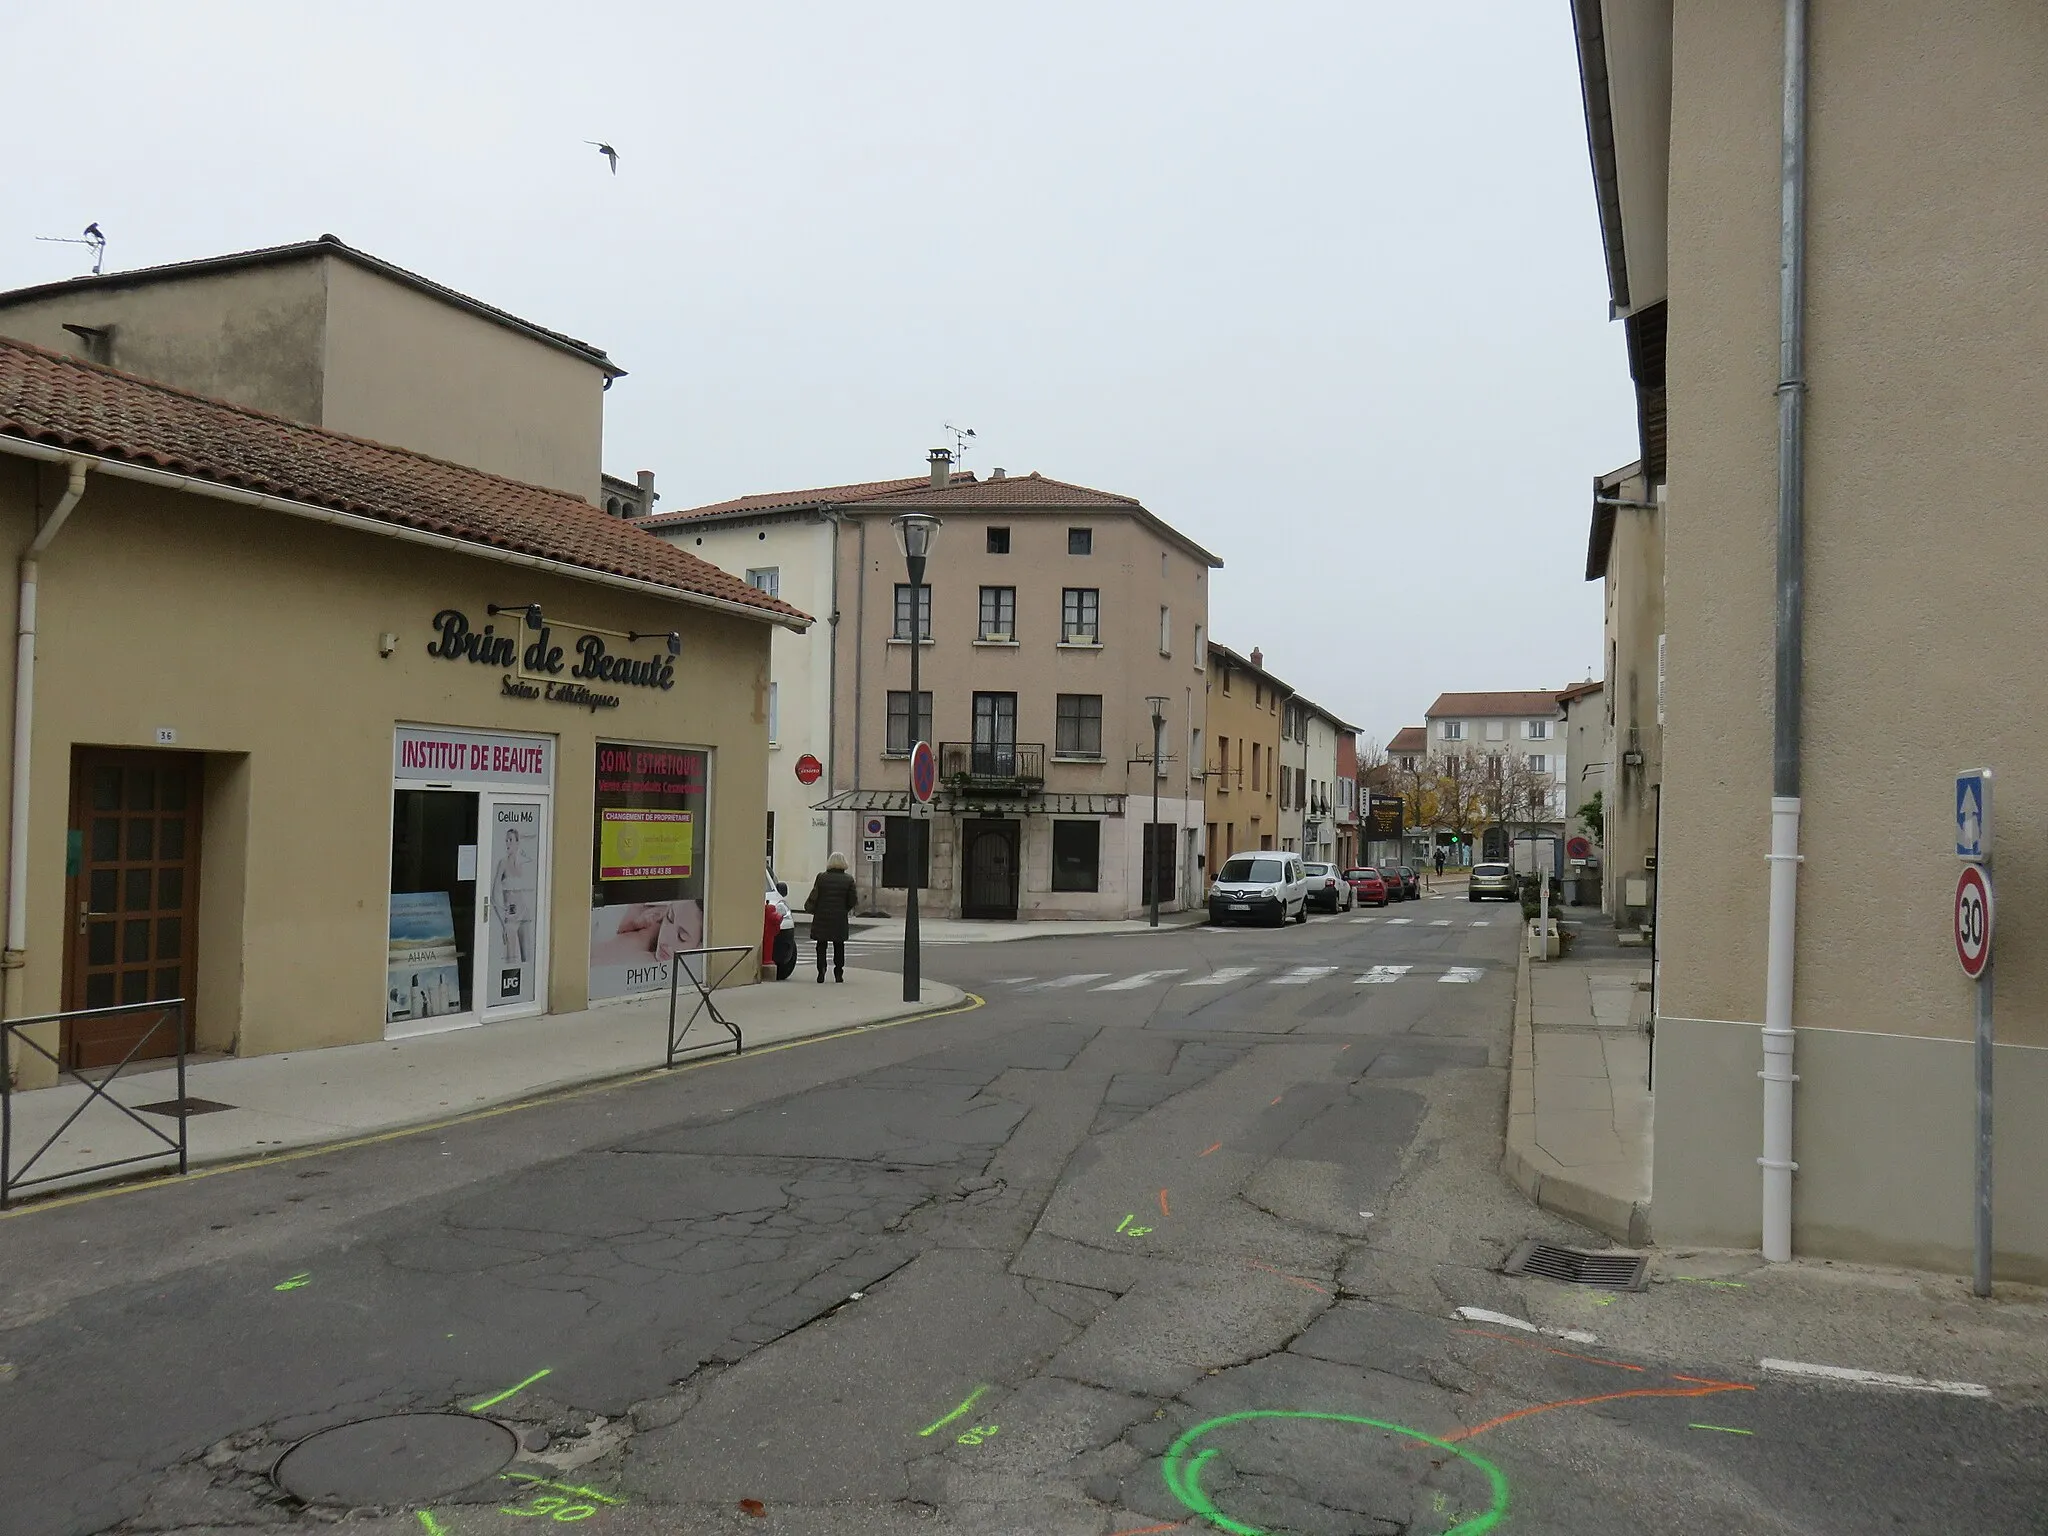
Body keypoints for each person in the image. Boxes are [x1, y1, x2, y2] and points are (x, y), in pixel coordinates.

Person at [803, 852, 859, 983]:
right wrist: (844, 909)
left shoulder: (821, 878)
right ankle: (838, 972)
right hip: (839, 917)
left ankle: (821, 970)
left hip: (822, 916)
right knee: (839, 945)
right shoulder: (848, 880)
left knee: (821, 945)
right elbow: (853, 900)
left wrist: (811, 908)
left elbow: (815, 895)